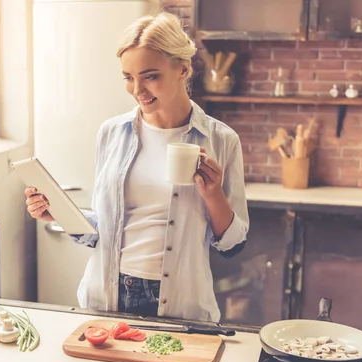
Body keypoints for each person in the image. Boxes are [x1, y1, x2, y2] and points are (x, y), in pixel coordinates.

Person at [25, 12, 249, 323]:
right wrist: (60, 213)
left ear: (184, 69)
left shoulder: (221, 140)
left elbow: (233, 244)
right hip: (108, 295)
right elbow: (106, 227)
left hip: (180, 304)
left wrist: (213, 195)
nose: (137, 90)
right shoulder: (112, 133)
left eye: (150, 76)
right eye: (128, 77)